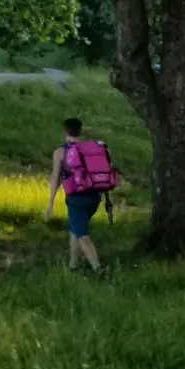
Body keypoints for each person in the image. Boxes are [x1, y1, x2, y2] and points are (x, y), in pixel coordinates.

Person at [45, 117, 116, 276]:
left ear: (64, 131)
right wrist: (108, 200)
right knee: (74, 229)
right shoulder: (95, 148)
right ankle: (73, 266)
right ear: (81, 131)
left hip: (76, 198)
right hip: (94, 197)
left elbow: (55, 177)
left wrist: (50, 204)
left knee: (82, 235)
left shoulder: (60, 152)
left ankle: (98, 269)